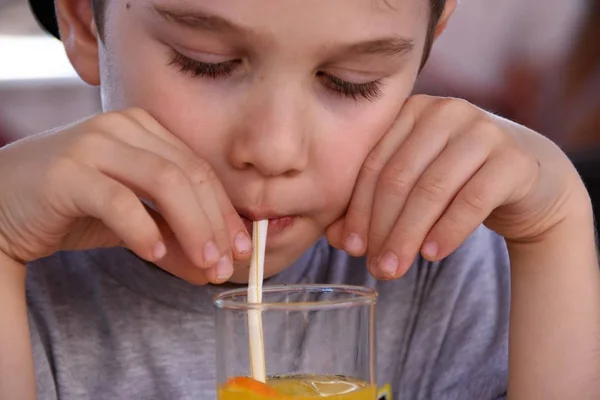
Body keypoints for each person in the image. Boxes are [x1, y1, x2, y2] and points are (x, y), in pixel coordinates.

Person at [0, 0, 599, 399]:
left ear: (422, 52)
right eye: (205, 64)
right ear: (83, 21)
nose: (275, 149)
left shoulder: (447, 264)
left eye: (352, 81)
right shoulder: (24, 274)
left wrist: (556, 229)